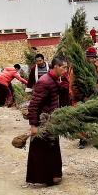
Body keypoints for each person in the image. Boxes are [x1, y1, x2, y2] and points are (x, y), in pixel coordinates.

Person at [26, 56, 68, 186]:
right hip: (42, 121)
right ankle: (42, 178)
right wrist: (33, 125)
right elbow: (34, 105)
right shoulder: (44, 82)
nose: (65, 70)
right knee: (42, 150)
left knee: (53, 147)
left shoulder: (55, 79)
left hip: (51, 120)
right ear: (56, 67)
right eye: (64, 67)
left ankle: (55, 175)